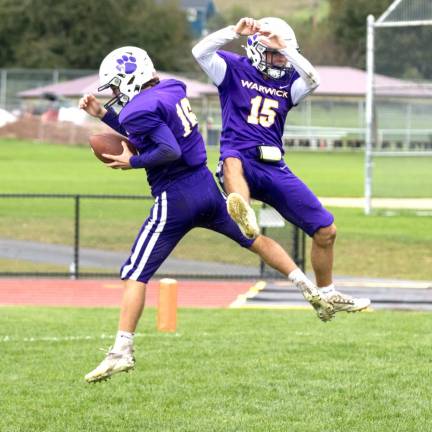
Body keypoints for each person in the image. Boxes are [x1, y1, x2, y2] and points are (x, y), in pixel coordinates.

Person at [79, 46, 335, 383]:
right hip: (205, 187)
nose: (114, 95)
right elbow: (154, 129)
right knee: (254, 239)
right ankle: (307, 287)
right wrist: (105, 116)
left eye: (114, 86)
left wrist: (133, 161)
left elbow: (165, 148)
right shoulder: (171, 88)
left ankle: (121, 350)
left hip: (176, 196)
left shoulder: (136, 109)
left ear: (129, 79)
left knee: (135, 273)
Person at [192, 17, 371, 315]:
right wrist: (233, 33)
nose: (279, 60)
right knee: (232, 161)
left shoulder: (289, 81)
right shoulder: (233, 69)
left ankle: (328, 294)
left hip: (274, 165)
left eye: (281, 54)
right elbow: (200, 52)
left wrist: (286, 48)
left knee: (327, 230)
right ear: (256, 50)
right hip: (240, 156)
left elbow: (314, 79)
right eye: (273, 53)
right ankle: (244, 213)